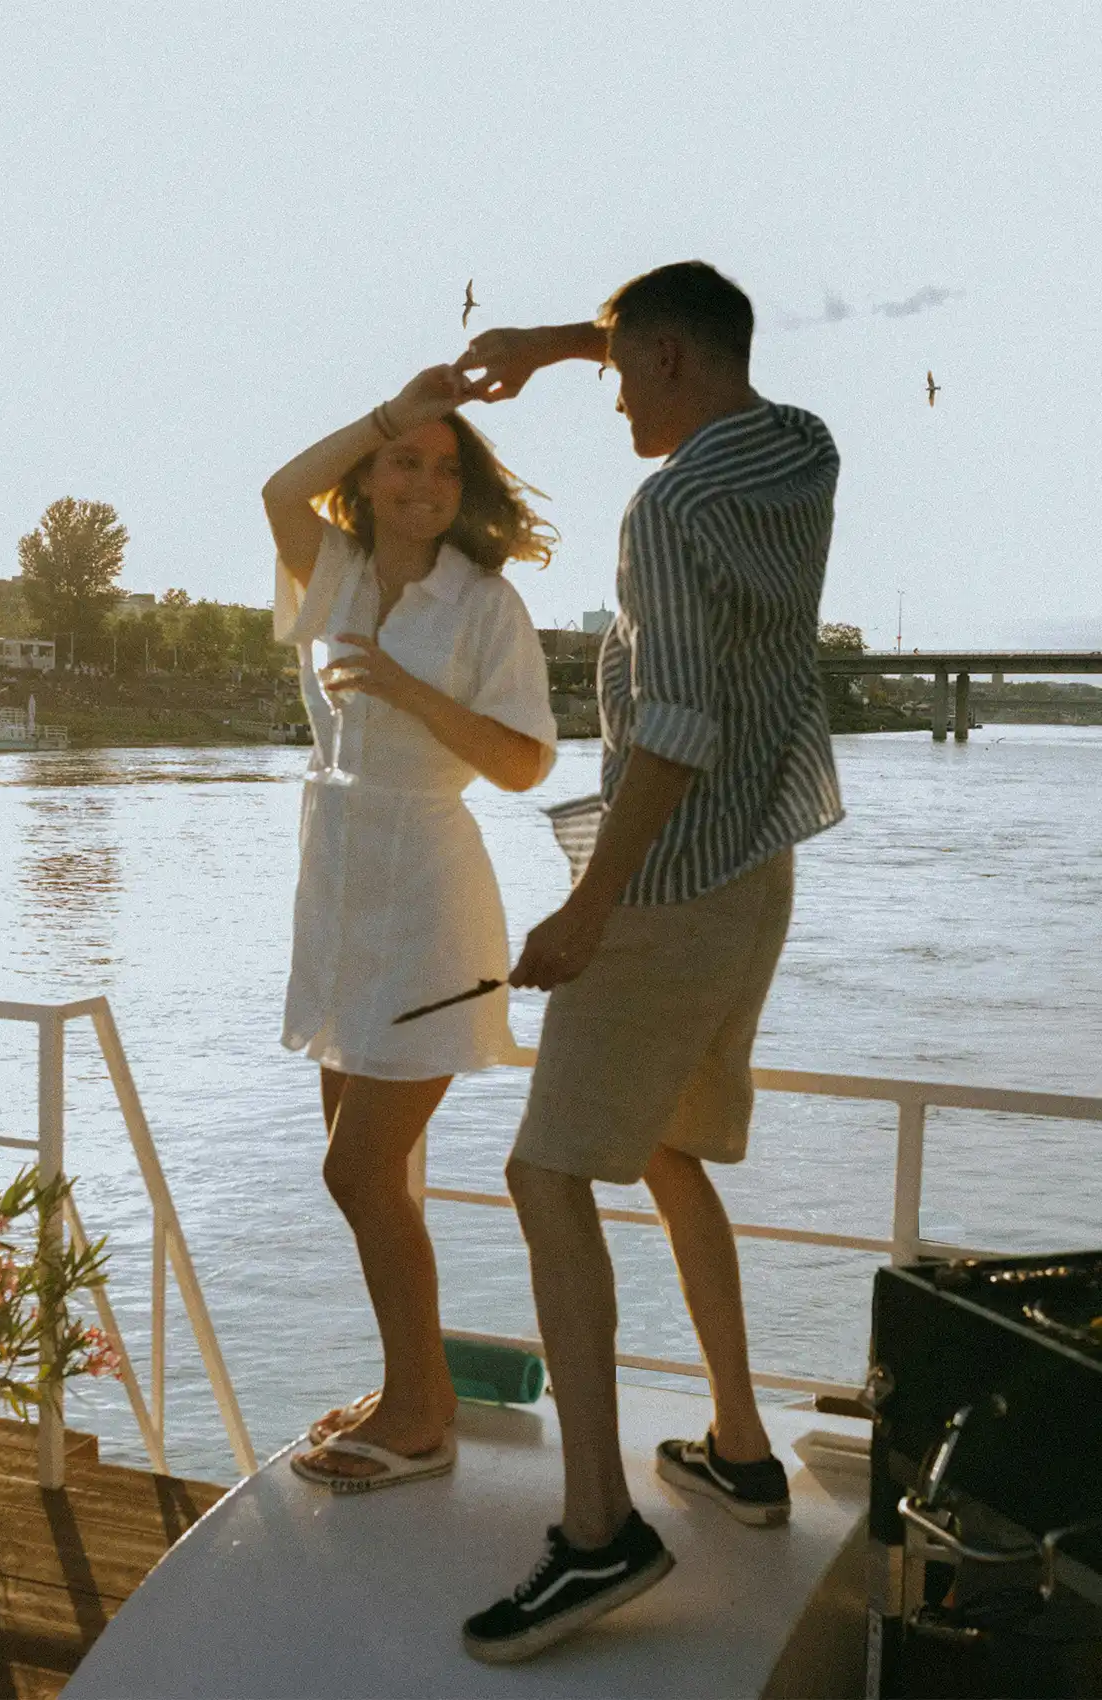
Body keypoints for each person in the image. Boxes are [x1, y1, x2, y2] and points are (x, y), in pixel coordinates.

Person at [454, 262, 844, 1662]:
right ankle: (740, 1447)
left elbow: (669, 724)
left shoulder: (671, 506)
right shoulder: (800, 450)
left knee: (547, 1174)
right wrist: (555, 341)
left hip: (667, 885)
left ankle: (598, 1531)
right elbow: (682, 327)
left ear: (673, 360)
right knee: (669, 1151)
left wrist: (585, 912)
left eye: (624, 370)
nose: (610, 391)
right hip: (758, 871)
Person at [262, 364, 558, 1491]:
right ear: (370, 473)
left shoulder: (482, 601)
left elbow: (527, 762)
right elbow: (278, 489)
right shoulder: (328, 565)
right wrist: (392, 405)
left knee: (357, 1169)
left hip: (430, 890)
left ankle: (422, 1405)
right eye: (403, 458)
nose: (425, 480)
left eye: (444, 465)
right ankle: (410, 1386)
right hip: (336, 885)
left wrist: (399, 685)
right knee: (366, 1172)